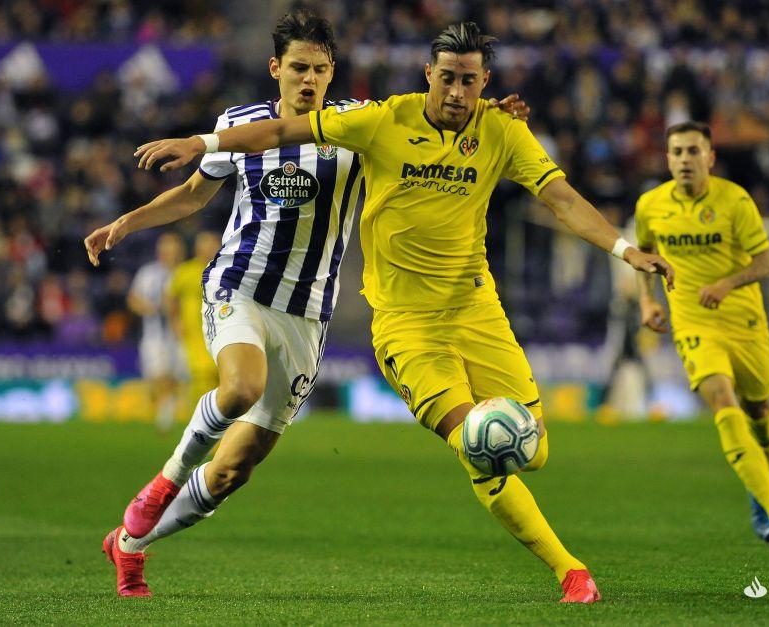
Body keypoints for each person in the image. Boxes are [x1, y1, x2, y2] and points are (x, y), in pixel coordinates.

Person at [134, 22, 674, 604]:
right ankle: (572, 573)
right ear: (428, 76)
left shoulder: (502, 131)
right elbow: (283, 128)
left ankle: (137, 536)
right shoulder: (384, 120)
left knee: (533, 450)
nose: (456, 92)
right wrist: (205, 143)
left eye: (469, 81)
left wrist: (625, 250)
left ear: (484, 82)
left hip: (476, 311)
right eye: (446, 78)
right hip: (405, 326)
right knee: (478, 443)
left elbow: (561, 198)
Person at [87, 12, 528, 598]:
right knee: (239, 389)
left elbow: (432, 126)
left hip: (307, 313)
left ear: (332, 73)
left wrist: (488, 116)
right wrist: (126, 223)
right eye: (298, 67)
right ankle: (159, 487)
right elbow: (195, 194)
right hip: (238, 288)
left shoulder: (356, 128)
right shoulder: (240, 124)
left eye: (320, 69)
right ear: (276, 68)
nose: (308, 80)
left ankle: (130, 544)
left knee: (230, 471)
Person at [632, 121, 769, 542]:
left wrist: (726, 283)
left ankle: (760, 488)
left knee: (760, 413)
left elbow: (766, 263)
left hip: (745, 322)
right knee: (719, 396)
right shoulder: (650, 205)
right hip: (693, 322)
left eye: (693, 151)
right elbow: (644, 257)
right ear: (667, 159)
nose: (685, 160)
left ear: (710, 158)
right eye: (677, 152)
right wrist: (647, 301)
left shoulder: (735, 200)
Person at [127, 231, 186, 431]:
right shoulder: (148, 273)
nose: (168, 252)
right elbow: (133, 299)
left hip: (182, 336)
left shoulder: (187, 272)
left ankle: (167, 413)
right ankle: (164, 407)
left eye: (172, 247)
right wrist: (148, 308)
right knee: (156, 378)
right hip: (154, 336)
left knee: (173, 377)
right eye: (165, 247)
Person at [165, 231, 222, 420]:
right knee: (203, 377)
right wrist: (175, 322)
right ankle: (202, 427)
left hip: (221, 332)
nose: (209, 248)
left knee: (223, 379)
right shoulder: (185, 271)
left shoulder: (223, 269)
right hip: (195, 336)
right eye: (205, 244)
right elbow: (170, 298)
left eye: (212, 243)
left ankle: (221, 428)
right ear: (198, 248)